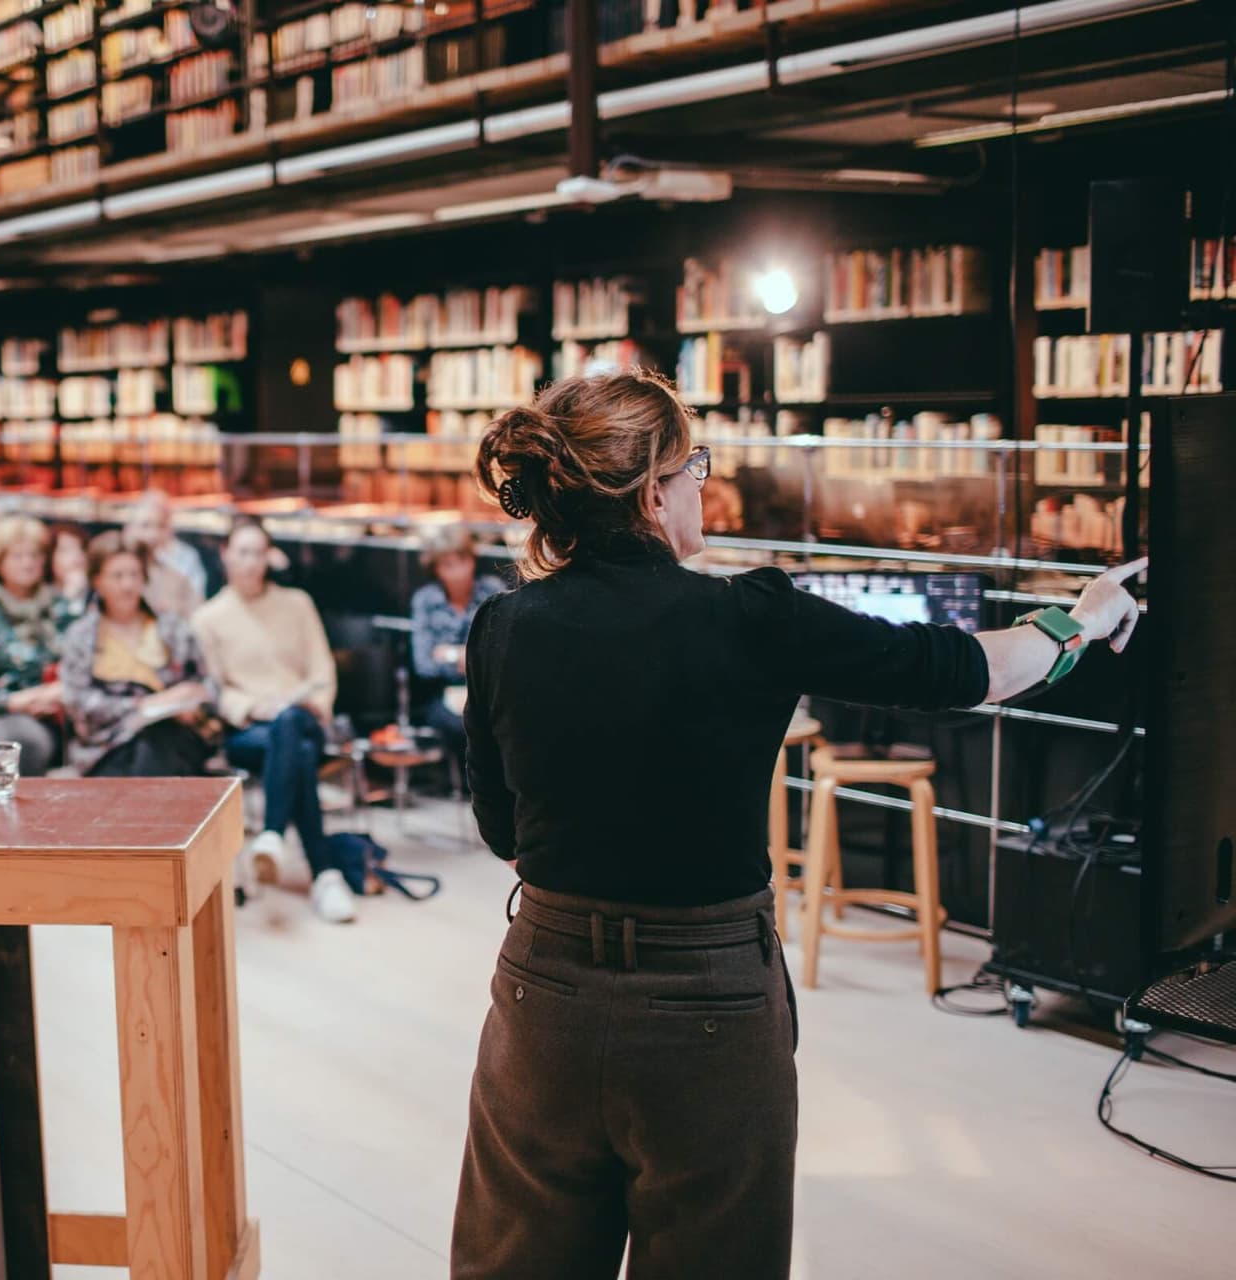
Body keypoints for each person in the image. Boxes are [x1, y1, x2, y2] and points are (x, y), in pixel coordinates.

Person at [450, 370, 1146, 1280]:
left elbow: (502, 830)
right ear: (653, 491)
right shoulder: (749, 618)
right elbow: (965, 668)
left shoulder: (503, 626)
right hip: (707, 1002)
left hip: (542, 996)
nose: (706, 482)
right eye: (695, 465)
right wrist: (1079, 622)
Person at [192, 516, 352, 923]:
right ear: (225, 555)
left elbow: (321, 672)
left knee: (292, 727)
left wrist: (311, 703)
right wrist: (250, 707)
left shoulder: (297, 603)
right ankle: (324, 874)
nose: (250, 562)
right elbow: (216, 688)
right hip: (249, 729)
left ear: (269, 558)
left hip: (304, 716)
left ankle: (274, 834)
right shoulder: (208, 618)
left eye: (258, 553)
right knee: (290, 741)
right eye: (242, 552)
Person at [58, 532, 215, 778]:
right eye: (117, 576)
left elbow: (206, 682)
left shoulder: (171, 627)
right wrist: (141, 707)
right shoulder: (82, 636)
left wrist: (191, 702)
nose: (127, 585)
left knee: (157, 740)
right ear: (97, 580)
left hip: (173, 736)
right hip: (107, 744)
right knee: (139, 753)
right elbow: (77, 700)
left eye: (134, 575)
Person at [0, 516, 81, 777]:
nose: (28, 563)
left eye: (34, 555)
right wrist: (18, 701)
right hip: (9, 715)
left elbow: (87, 661)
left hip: (68, 708)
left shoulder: (61, 609)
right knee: (26, 742)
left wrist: (61, 691)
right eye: (18, 556)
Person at [408, 524, 504, 782]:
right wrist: (461, 659)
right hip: (441, 693)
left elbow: (501, 652)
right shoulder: (426, 600)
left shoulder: (491, 591)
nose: (458, 571)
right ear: (436, 569)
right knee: (462, 722)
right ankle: (471, 788)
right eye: (448, 564)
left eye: (463, 560)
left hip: (488, 689)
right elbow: (424, 663)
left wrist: (454, 655)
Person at [124, 489, 205, 618]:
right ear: (129, 529)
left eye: (160, 525)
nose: (153, 534)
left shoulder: (178, 568)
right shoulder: (115, 563)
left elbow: (196, 610)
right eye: (145, 525)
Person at [49, 521, 90, 609]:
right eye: (66, 550)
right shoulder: (41, 595)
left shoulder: (98, 595)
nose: (77, 557)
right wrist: (68, 597)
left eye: (81, 548)